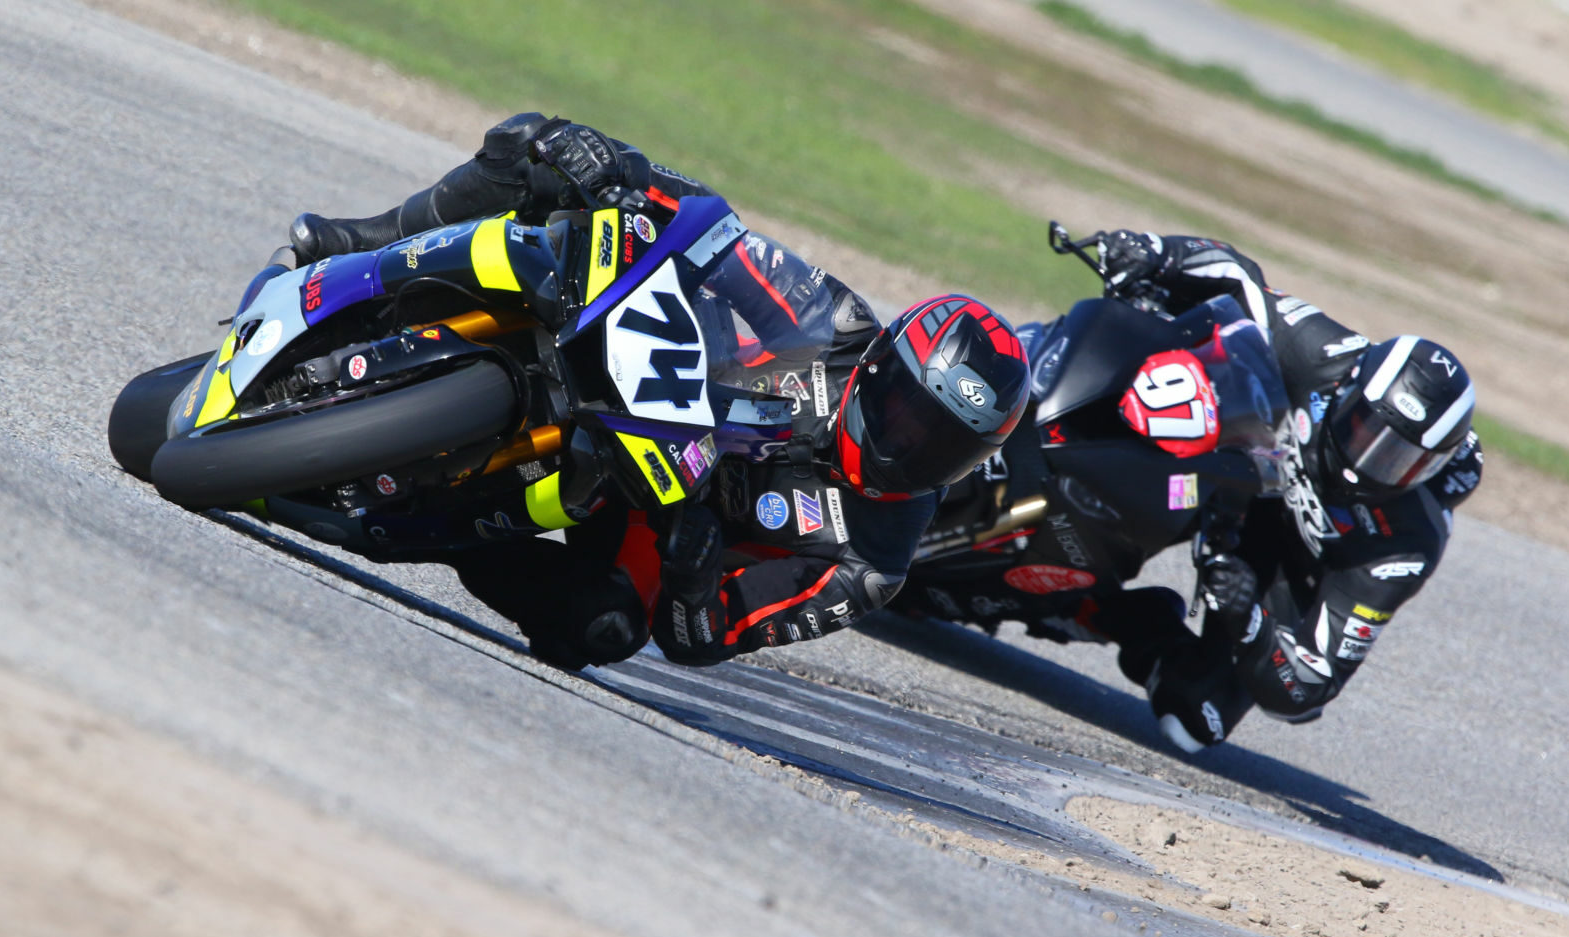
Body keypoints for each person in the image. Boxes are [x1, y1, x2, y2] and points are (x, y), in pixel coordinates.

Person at [292, 114, 1031, 669]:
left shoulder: (872, 563)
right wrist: (623, 171)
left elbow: (704, 640)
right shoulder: (834, 324)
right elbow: (719, 240)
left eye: (943, 451)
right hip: (651, 355)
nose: (911, 449)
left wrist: (694, 576)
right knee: (535, 146)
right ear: (880, 367)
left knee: (601, 629)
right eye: (910, 419)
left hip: (659, 511)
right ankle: (365, 240)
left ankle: (435, 534)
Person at [899, 229, 1482, 752]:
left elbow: (1307, 688)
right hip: (1229, 472)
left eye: (1404, 460)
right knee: (1135, 377)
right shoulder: (1328, 354)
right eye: (1368, 432)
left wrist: (1248, 614)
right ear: (1354, 392)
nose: (1371, 464)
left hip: (1277, 562)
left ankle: (1114, 615)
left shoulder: (1403, 547)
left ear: (1431, 469)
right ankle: (985, 425)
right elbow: (1236, 275)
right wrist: (1153, 252)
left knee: (1197, 716)